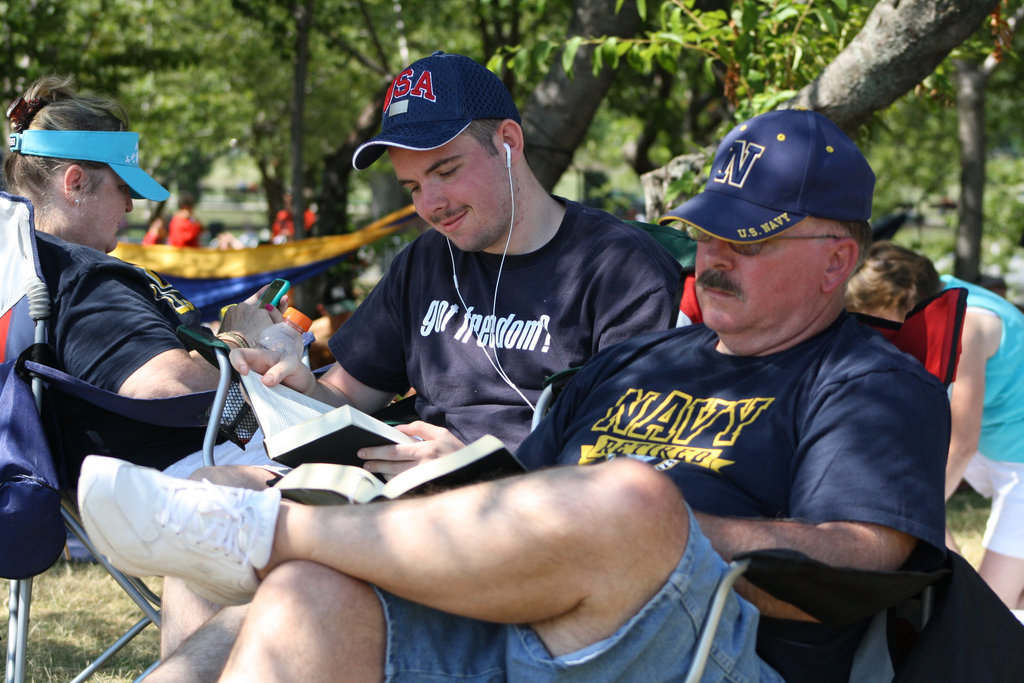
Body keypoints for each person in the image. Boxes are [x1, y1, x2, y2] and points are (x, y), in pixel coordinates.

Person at [78, 109, 950, 683]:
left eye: (747, 240)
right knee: (311, 597)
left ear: (838, 258)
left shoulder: (870, 384)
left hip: (706, 641)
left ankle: (258, 536)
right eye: (706, 230)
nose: (713, 255)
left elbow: (859, 559)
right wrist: (449, 472)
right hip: (524, 616)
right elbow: (514, 492)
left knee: (634, 496)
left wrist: (665, 531)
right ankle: (272, 538)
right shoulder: (635, 362)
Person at [146, 50, 683, 666]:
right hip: (387, 491)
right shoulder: (427, 261)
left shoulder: (617, 269)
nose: (431, 203)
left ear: (508, 142)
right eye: (413, 186)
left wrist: (481, 469)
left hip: (508, 523)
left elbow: (623, 477)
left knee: (280, 603)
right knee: (204, 497)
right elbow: (347, 396)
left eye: (446, 171)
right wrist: (300, 387)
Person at [2, 75, 280, 481]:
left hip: (170, 471)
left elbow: (127, 358)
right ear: (75, 182)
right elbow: (166, 387)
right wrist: (240, 338)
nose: (131, 206)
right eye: (122, 187)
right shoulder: (84, 279)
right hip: (196, 474)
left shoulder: (29, 268)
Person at [847, 240, 1024, 610]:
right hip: (996, 447)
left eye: (880, 318)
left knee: (993, 611)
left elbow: (962, 443)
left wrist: (916, 510)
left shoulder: (967, 324)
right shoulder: (930, 293)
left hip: (1016, 460)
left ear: (905, 302)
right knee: (905, 484)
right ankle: (952, 590)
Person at [307, 279, 357, 369]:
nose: (343, 318)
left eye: (347, 311)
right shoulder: (311, 336)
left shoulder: (365, 328)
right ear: (322, 310)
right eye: (337, 314)